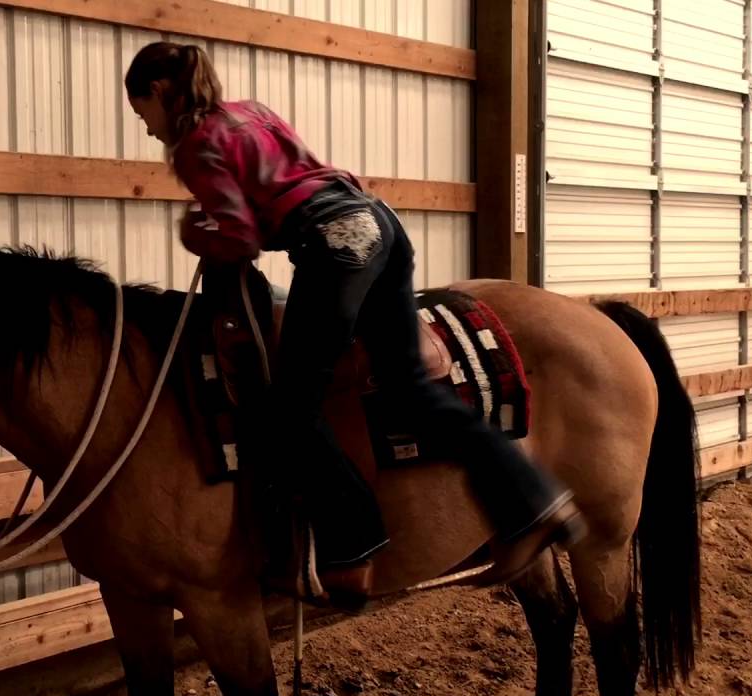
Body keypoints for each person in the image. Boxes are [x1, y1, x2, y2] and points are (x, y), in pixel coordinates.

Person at [124, 41, 583, 602]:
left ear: (159, 92)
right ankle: (534, 498)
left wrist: (194, 230)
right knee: (411, 387)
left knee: (292, 405)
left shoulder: (195, 143)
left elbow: (240, 237)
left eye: (140, 111)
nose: (147, 129)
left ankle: (353, 545)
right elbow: (298, 182)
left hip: (334, 245)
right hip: (379, 225)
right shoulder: (252, 112)